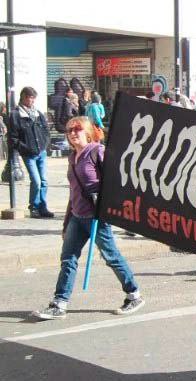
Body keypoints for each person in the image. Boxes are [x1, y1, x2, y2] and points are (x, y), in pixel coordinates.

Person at [32, 116, 145, 320]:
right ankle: (59, 303)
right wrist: (66, 222)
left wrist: (106, 204)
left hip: (96, 217)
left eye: (77, 128)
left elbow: (116, 180)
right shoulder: (72, 157)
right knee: (68, 259)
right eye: (69, 130)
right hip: (77, 217)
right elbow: (73, 192)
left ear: (88, 132)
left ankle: (134, 294)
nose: (72, 133)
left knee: (111, 257)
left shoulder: (97, 151)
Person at [8, 86, 53, 218]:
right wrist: (25, 148)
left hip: (41, 152)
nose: (32, 101)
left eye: (33, 98)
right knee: (36, 181)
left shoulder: (37, 113)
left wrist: (45, 144)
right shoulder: (16, 114)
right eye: (30, 98)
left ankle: (43, 206)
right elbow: (13, 138)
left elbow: (46, 130)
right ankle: (34, 207)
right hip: (29, 154)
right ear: (23, 98)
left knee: (44, 181)